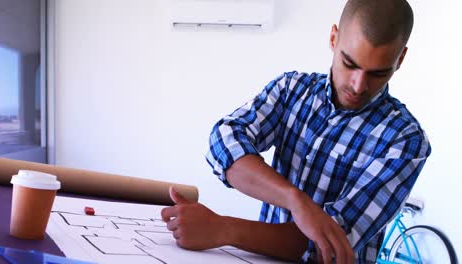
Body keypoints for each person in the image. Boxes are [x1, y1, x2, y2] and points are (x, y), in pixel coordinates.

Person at [161, 0, 431, 263]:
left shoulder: (405, 140)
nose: (358, 85)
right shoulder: (292, 90)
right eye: (349, 63)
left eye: (378, 73)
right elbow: (224, 140)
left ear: (401, 58)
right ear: (334, 38)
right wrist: (296, 201)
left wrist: (223, 229)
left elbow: (325, 245)